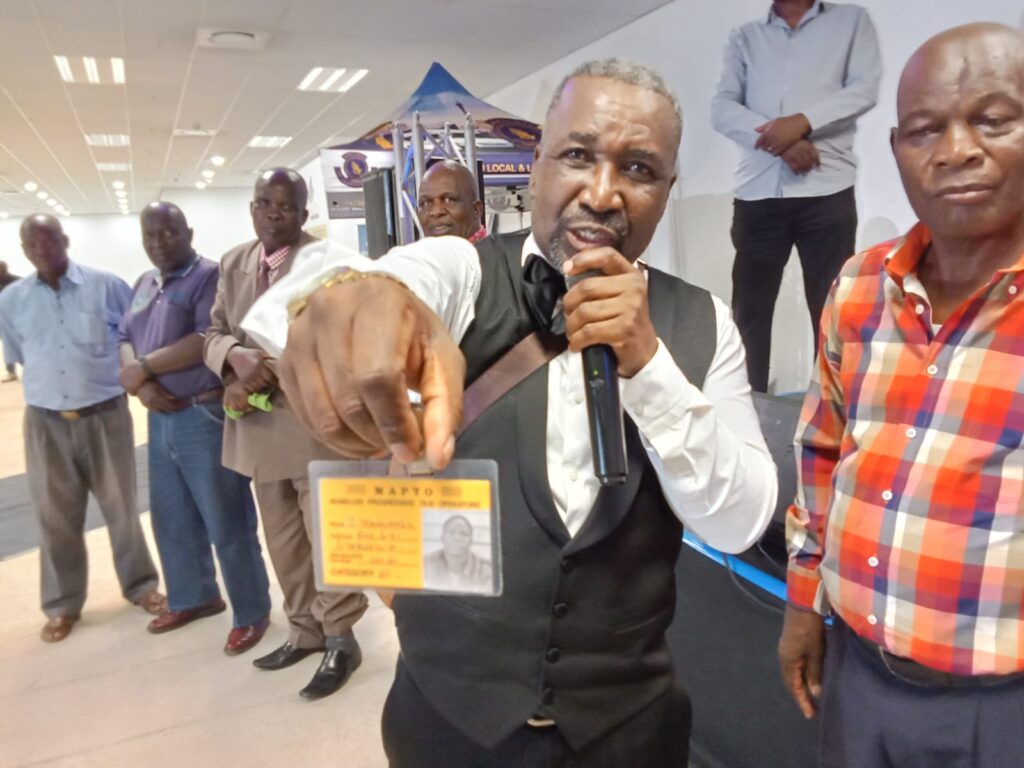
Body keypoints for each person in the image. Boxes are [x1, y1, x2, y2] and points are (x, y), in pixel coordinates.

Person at [243, 59, 777, 766]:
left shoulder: (704, 323)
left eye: (640, 169)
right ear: (536, 168)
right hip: (446, 723)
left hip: (628, 732)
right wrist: (352, 296)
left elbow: (740, 520)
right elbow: (381, 286)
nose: (603, 191)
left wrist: (649, 369)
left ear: (667, 191)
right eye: (578, 156)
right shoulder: (462, 272)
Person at [779, 23, 1024, 768]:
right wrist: (801, 604)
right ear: (896, 151)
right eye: (925, 129)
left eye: (993, 120)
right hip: (858, 680)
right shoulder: (858, 287)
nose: (956, 150)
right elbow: (822, 451)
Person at [204, 169, 368, 698]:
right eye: (264, 203)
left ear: (304, 213)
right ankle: (305, 631)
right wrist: (233, 359)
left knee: (329, 537)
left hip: (315, 424)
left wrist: (265, 365)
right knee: (285, 542)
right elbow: (214, 331)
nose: (275, 213)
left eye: (287, 205)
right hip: (257, 427)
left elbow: (340, 337)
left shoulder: (329, 263)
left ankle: (342, 636)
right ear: (252, 208)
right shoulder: (233, 263)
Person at [0, 214, 165, 643]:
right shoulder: (12, 300)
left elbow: (135, 336)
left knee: (122, 509)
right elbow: (20, 357)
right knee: (55, 518)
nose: (42, 250)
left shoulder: (105, 284)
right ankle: (62, 605)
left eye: (49, 241)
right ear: (23, 250)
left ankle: (142, 587)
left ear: (65, 239)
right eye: (32, 244)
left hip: (105, 416)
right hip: (46, 423)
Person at [118, 202, 272, 653]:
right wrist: (141, 383)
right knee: (172, 518)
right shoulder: (144, 284)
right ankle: (195, 597)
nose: (158, 243)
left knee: (226, 518)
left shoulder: (209, 277)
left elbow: (207, 339)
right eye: (149, 236)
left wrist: (143, 367)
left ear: (188, 231)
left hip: (203, 415)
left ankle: (251, 611)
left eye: (167, 233)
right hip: (160, 416)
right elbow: (124, 335)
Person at [711, 0, 881, 392]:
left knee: (831, 311)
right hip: (757, 194)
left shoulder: (851, 22)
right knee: (750, 313)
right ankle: (747, 413)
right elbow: (722, 108)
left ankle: (837, 415)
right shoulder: (746, 38)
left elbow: (864, 89)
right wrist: (781, 140)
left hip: (827, 190)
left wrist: (802, 123)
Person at [416, 160, 486, 242]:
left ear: (476, 210)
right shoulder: (411, 254)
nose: (436, 211)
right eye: (426, 203)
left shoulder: (497, 253)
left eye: (449, 200)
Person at [422, 514, 492, 593]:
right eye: (452, 533)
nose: (457, 538)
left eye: (464, 534)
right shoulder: (425, 565)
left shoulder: (485, 570)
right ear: (442, 538)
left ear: (471, 541)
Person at [0, 261, 21, 381]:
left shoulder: (17, 281)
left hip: (18, 318)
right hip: (3, 320)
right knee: (8, 345)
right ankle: (11, 372)